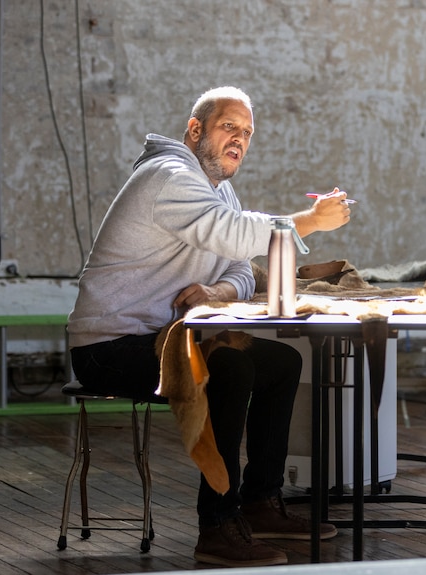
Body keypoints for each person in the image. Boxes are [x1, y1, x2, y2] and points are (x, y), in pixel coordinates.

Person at [68, 86, 349, 567]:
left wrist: (219, 291)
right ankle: (217, 527)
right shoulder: (169, 175)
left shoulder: (217, 189)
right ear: (196, 130)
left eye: (246, 133)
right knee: (231, 368)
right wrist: (307, 220)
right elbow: (235, 234)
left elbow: (238, 265)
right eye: (228, 127)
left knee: (282, 362)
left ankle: (260, 503)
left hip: (165, 341)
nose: (239, 139)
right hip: (108, 347)